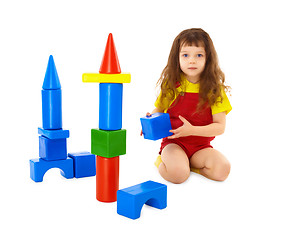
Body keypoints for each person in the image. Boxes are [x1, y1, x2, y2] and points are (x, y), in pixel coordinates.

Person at [142, 28, 232, 184]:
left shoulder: (215, 90)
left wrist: (192, 130)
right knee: (178, 175)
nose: (192, 60)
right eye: (185, 55)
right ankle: (163, 162)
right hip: (174, 143)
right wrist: (150, 121)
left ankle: (190, 165)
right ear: (177, 58)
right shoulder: (172, 85)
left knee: (222, 169)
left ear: (208, 59)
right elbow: (159, 110)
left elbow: (220, 127)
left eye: (199, 55)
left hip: (201, 147)